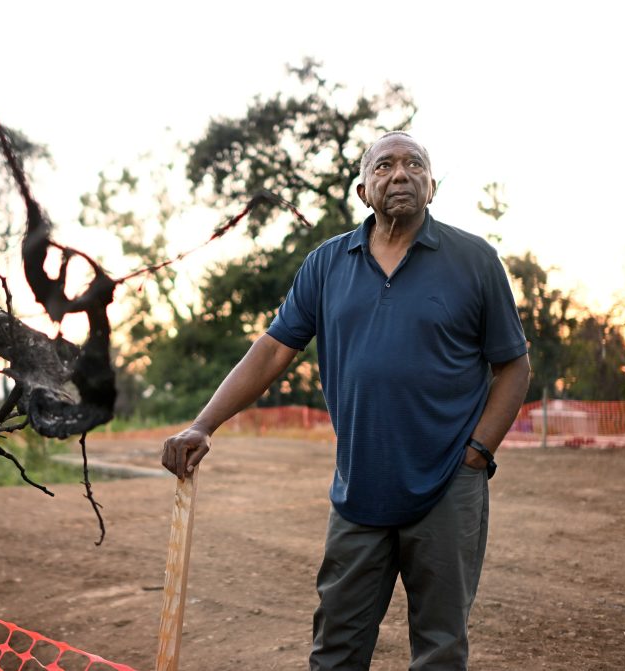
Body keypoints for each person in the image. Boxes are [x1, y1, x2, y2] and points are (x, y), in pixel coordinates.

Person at [161, 131, 531, 670]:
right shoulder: (327, 264)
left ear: (432, 187)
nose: (399, 175)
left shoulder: (474, 260)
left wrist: (477, 453)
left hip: (449, 483)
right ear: (363, 190)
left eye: (413, 165)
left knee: (440, 648)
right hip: (359, 487)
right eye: (384, 167)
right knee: (336, 646)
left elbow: (513, 364)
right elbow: (270, 351)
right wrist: (203, 425)